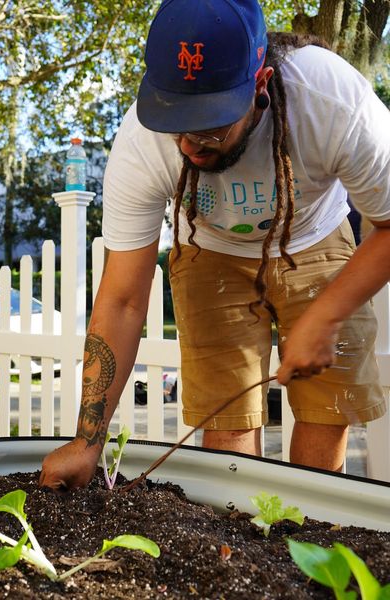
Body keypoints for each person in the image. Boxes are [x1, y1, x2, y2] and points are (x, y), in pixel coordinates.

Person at [40, 0, 390, 491]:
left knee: (327, 407)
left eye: (210, 124)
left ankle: (312, 537)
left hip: (314, 235)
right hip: (210, 252)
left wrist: (327, 314)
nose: (188, 143)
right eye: (177, 120)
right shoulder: (141, 144)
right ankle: (240, 551)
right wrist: (86, 441)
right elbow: (121, 299)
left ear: (260, 84)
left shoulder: (333, 101)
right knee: (227, 421)